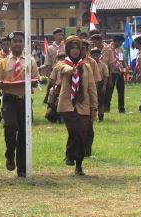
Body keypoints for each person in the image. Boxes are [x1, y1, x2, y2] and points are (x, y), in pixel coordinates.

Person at [0, 31, 39, 178]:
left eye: (20, 41)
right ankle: (9, 154)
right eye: (15, 42)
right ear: (10, 44)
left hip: (24, 100)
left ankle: (22, 168)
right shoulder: (3, 61)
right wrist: (1, 84)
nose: (18, 44)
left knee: (24, 135)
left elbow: (36, 78)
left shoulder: (30, 61)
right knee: (10, 126)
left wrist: (33, 81)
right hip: (9, 99)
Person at [57, 35, 97, 175]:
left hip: (83, 105)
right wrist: (71, 70)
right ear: (68, 50)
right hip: (67, 105)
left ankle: (78, 165)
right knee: (74, 131)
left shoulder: (86, 67)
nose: (75, 51)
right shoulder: (62, 64)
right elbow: (61, 70)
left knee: (82, 134)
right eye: (72, 48)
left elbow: (92, 88)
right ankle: (69, 154)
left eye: (77, 48)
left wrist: (94, 107)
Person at [106, 35, 127, 113]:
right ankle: (106, 108)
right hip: (112, 73)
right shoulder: (108, 49)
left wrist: (126, 67)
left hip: (120, 72)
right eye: (121, 42)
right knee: (109, 91)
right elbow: (107, 62)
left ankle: (121, 109)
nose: (121, 44)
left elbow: (122, 60)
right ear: (116, 41)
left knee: (121, 91)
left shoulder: (120, 49)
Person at [43, 28, 65, 103]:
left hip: (64, 71)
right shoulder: (50, 48)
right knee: (51, 90)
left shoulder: (65, 47)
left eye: (62, 35)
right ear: (54, 36)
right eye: (59, 35)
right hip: (54, 71)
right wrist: (49, 75)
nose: (61, 36)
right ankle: (50, 105)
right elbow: (48, 63)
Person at [45, 52, 66, 124]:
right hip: (58, 86)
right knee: (51, 92)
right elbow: (53, 79)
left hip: (66, 87)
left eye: (63, 58)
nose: (62, 60)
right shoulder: (56, 67)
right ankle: (50, 108)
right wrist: (54, 88)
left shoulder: (69, 65)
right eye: (60, 58)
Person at [90, 47, 109, 121]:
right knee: (91, 100)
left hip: (100, 84)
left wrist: (104, 86)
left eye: (97, 55)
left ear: (100, 56)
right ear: (91, 56)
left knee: (101, 100)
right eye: (94, 55)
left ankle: (101, 116)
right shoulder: (88, 64)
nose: (95, 57)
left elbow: (106, 75)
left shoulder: (103, 65)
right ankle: (92, 116)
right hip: (91, 83)